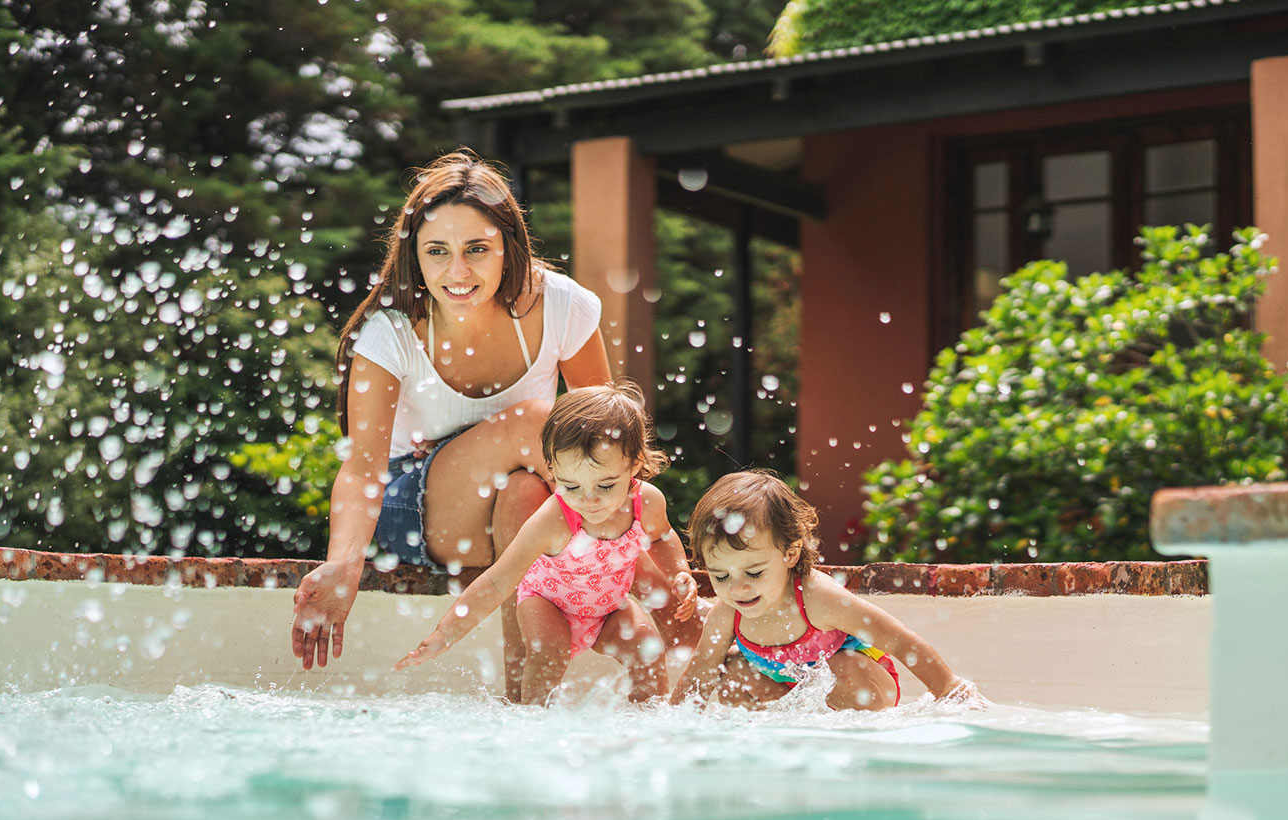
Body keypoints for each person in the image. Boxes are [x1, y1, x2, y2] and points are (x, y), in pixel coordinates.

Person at [290, 150, 681, 698]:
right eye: (437, 252)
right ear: (416, 258)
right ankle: (678, 613)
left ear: (508, 248)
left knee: (527, 490)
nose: (458, 272)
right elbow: (361, 469)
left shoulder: (560, 305)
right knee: (543, 423)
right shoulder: (392, 331)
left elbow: (608, 443)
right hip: (412, 508)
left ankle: (522, 704)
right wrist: (342, 564)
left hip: (522, 518)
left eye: (477, 249)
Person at [396, 382, 698, 704]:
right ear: (553, 470)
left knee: (646, 648)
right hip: (548, 602)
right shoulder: (553, 519)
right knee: (549, 651)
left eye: (606, 485)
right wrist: (448, 632)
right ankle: (534, 724)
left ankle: (650, 725)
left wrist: (680, 572)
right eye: (571, 486)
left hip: (608, 607)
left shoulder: (645, 503)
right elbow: (499, 581)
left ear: (634, 464)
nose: (589, 500)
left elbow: (662, 537)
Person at [673, 470, 986, 710]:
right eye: (720, 576)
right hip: (794, 697)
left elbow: (898, 639)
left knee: (846, 665)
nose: (738, 588)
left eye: (754, 572)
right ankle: (781, 735)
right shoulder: (728, 614)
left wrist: (950, 690)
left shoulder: (816, 598)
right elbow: (698, 675)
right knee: (730, 672)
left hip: (865, 685)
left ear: (790, 553)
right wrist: (670, 727)